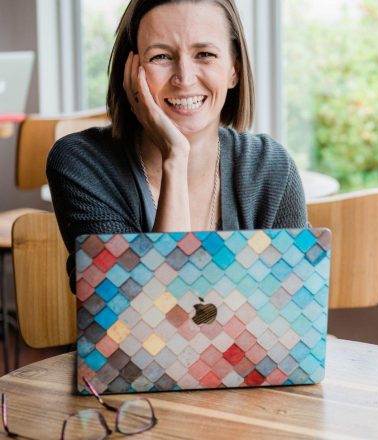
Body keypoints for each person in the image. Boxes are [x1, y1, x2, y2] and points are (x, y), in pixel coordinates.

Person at [47, 0, 307, 291]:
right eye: (161, 56)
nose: (184, 78)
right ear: (132, 71)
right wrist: (175, 155)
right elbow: (138, 318)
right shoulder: (82, 164)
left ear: (234, 69)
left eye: (205, 54)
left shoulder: (271, 167)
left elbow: (293, 305)